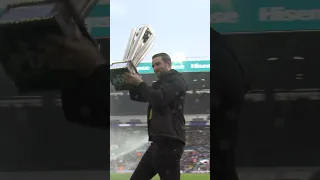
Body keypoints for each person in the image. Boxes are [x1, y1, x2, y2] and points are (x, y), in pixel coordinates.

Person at [125, 53, 187, 180]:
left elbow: (159, 99)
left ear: (168, 64)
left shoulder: (176, 80)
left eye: (158, 64)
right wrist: (132, 82)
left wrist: (141, 83)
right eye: (153, 65)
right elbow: (137, 96)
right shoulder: (159, 84)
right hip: (158, 143)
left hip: (170, 143)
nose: (155, 68)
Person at [211, 28, 249, 180]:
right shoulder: (222, 49)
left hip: (219, 128)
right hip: (224, 128)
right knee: (224, 169)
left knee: (221, 170)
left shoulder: (217, 53)